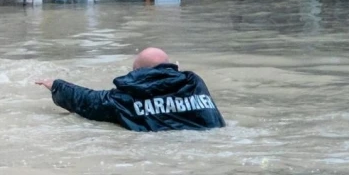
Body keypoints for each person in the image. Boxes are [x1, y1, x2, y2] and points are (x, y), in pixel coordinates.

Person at [35, 47, 225, 132]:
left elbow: (90, 101)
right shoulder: (194, 83)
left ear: (137, 73)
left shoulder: (127, 96)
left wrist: (56, 85)